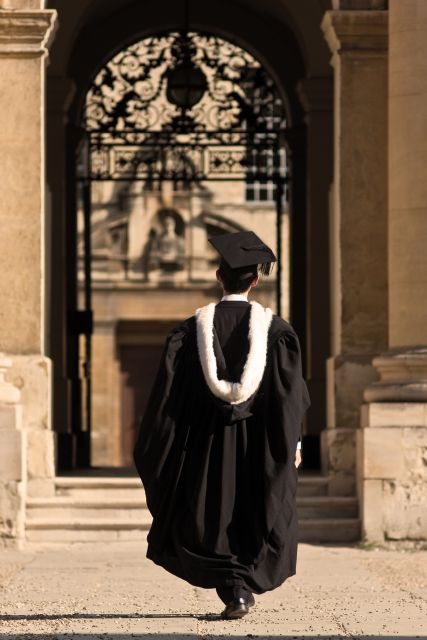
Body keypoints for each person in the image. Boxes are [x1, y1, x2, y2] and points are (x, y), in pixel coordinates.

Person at [133, 230, 310, 620]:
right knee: (255, 504)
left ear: (218, 276)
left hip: (206, 446)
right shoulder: (278, 334)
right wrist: (293, 440)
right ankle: (241, 585)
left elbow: (168, 400)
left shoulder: (187, 334)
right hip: (259, 444)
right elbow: (290, 396)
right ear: (256, 280)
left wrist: (163, 446)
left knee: (212, 510)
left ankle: (234, 588)